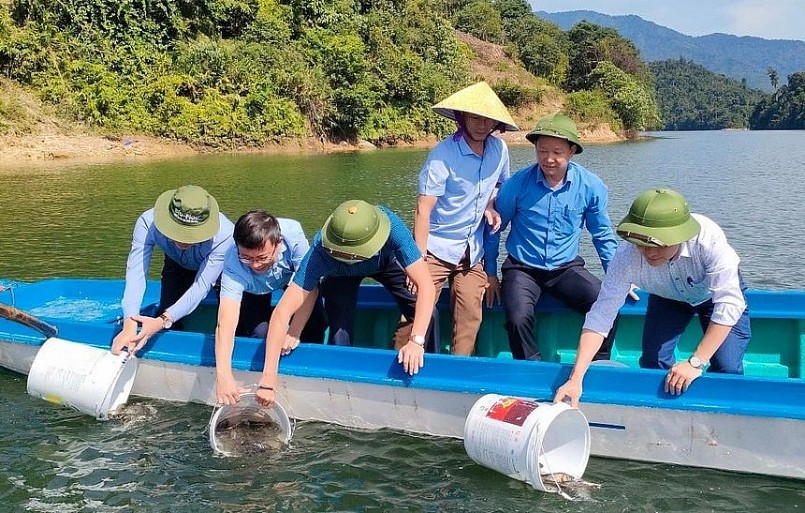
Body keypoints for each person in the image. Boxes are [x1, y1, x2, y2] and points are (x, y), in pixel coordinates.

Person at [554, 189, 751, 406]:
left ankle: (720, 410)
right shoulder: (626, 256)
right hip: (667, 295)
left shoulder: (708, 241)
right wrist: (576, 378)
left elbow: (729, 303)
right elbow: (601, 315)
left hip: (713, 297)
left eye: (659, 245)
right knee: (653, 361)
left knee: (727, 366)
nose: (649, 254)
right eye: (642, 245)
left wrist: (695, 362)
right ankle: (664, 410)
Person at [253, 199, 436, 406]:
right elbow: (283, 311)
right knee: (340, 330)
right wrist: (269, 378)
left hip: (384, 264)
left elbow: (426, 287)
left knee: (428, 312)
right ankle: (339, 388)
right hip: (340, 274)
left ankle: (426, 365)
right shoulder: (320, 250)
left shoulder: (392, 226)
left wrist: (416, 341)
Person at [487, 113, 620, 361]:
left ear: (571, 151)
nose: (548, 159)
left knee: (606, 306)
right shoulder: (516, 184)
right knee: (517, 318)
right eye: (542, 151)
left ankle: (598, 363)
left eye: (557, 152)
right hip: (522, 268)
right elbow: (495, 228)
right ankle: (531, 367)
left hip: (565, 268)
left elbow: (602, 234)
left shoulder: (590, 186)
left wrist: (618, 277)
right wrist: (491, 273)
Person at [408, 81, 518, 355]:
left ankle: (458, 369)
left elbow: (499, 186)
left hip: (473, 250)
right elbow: (423, 208)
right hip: (435, 248)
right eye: (475, 117)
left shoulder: (499, 150)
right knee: (414, 307)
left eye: (487, 119)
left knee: (471, 312)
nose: (481, 124)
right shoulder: (443, 155)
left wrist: (490, 206)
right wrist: (417, 261)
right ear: (462, 118)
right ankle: (399, 366)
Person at [214, 209, 327, 405]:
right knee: (261, 334)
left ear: (278, 244)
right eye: (247, 257)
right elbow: (226, 320)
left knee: (315, 323)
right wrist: (223, 375)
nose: (256, 265)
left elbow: (310, 287)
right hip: (253, 289)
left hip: (291, 281)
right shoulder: (233, 259)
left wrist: (294, 330)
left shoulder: (294, 237)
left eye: (262, 258)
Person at [113, 185, 234, 355]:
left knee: (232, 320)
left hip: (221, 270)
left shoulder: (225, 235)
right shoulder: (148, 223)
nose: (183, 241)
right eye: (178, 231)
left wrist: (163, 320)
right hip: (176, 264)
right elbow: (136, 273)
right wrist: (129, 322)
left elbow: (201, 286)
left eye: (191, 234)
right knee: (167, 312)